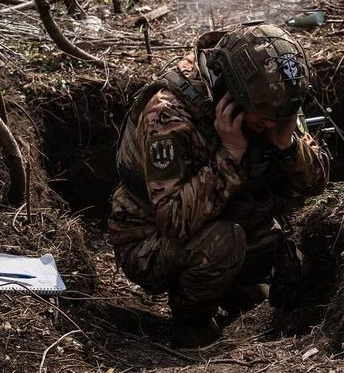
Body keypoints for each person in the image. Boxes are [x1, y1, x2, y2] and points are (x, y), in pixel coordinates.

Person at [108, 23, 331, 348]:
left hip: (234, 220)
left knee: (286, 262)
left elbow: (316, 183)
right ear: (232, 97)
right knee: (225, 243)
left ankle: (232, 288)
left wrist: (288, 147)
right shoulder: (168, 115)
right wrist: (230, 155)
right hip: (148, 239)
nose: (270, 126)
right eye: (263, 121)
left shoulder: (272, 98)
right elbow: (172, 221)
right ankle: (191, 325)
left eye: (278, 119)